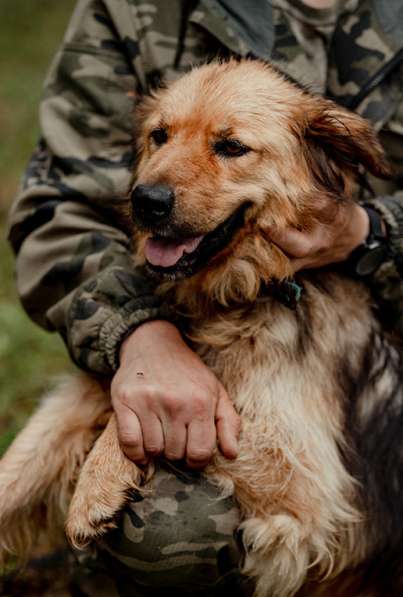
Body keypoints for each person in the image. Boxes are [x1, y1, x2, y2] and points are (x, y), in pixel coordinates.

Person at [8, 0, 403, 594]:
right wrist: (139, 336)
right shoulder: (138, 11)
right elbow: (60, 206)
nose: (155, 183)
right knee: (85, 408)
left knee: (169, 519)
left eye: (230, 147)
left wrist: (365, 231)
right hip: (185, 310)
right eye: (160, 136)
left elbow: (292, 507)